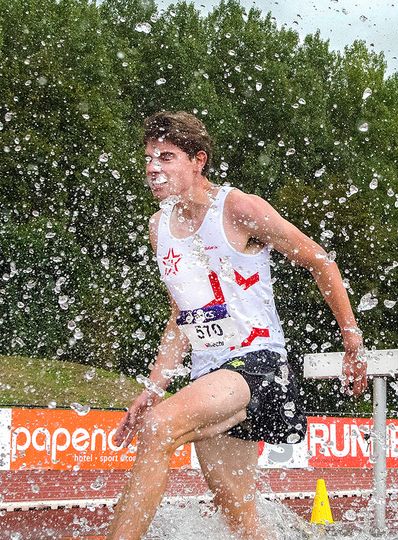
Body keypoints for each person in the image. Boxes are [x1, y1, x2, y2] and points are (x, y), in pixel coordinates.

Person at [106, 112, 369, 539]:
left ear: (198, 161)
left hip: (258, 364)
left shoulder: (237, 208)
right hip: (209, 374)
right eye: (149, 158)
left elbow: (321, 260)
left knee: (159, 429)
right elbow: (181, 316)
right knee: (241, 520)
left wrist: (351, 342)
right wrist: (153, 388)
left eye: (166, 157)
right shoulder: (159, 228)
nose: (153, 168)